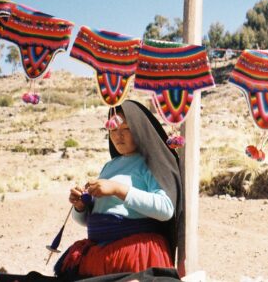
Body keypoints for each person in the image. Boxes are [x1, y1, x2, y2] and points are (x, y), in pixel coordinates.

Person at [54, 100, 183, 279]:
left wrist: (117, 189)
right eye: (113, 130)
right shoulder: (109, 166)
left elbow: (165, 209)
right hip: (101, 253)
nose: (118, 136)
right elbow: (91, 220)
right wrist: (80, 207)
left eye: (126, 129)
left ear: (140, 129)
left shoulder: (150, 164)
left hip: (135, 254)